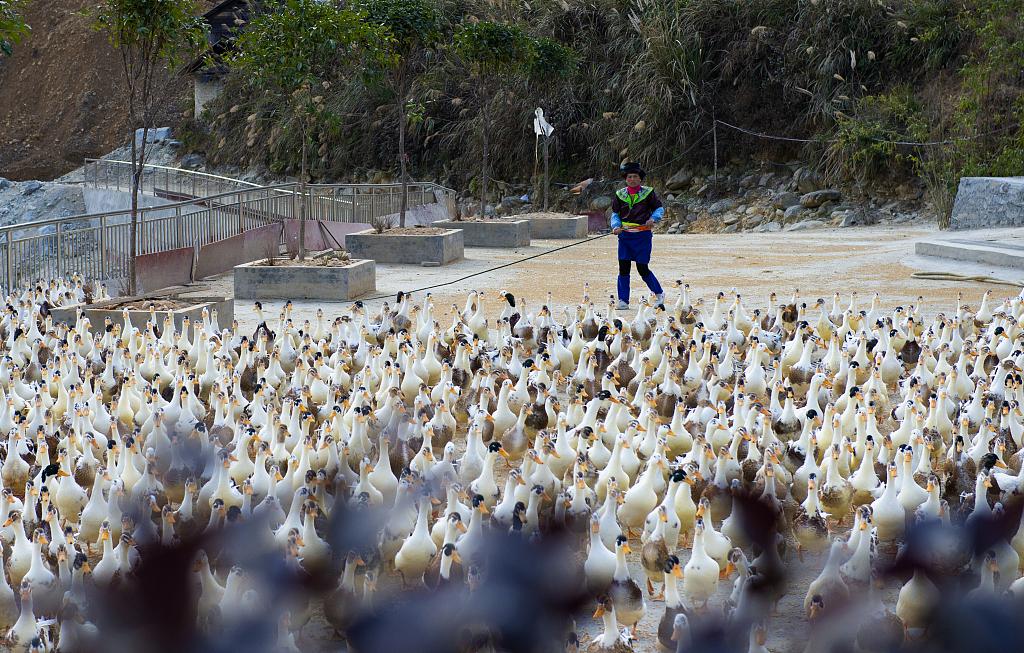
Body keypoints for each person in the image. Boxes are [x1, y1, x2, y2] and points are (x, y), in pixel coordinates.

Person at [610, 162, 664, 310]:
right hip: (625, 237)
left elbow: (659, 208)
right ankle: (623, 300)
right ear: (626, 179)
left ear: (640, 178)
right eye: (629, 177)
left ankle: (658, 294)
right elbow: (615, 213)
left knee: (642, 268)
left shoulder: (648, 192)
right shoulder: (620, 194)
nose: (632, 179)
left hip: (643, 236)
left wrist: (653, 219)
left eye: (635, 176)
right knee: (623, 269)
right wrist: (615, 226)